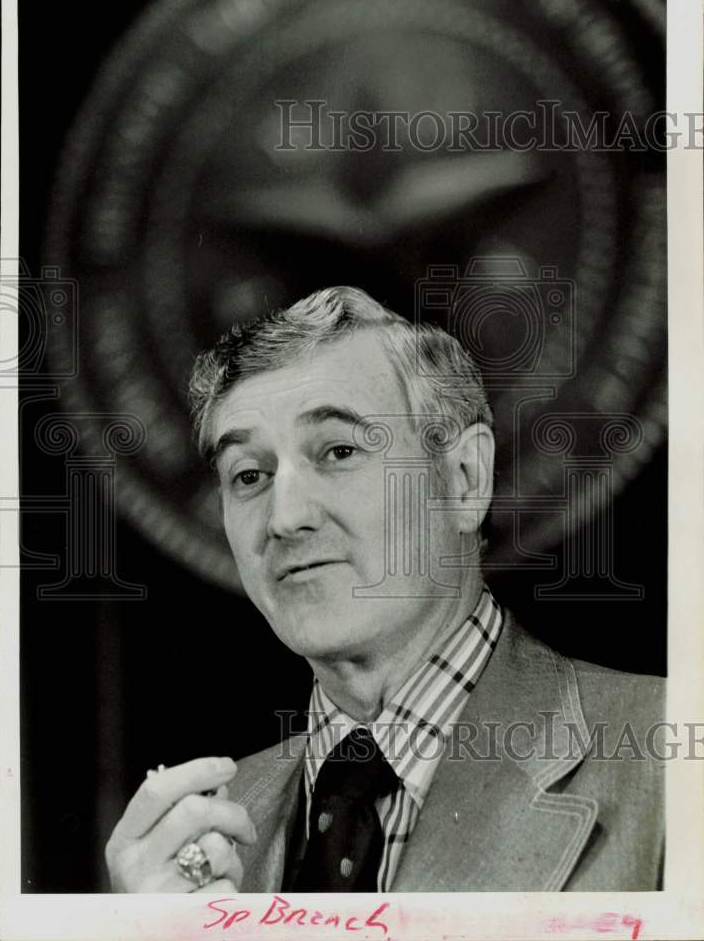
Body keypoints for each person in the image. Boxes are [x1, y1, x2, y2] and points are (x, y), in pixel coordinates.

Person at [105, 286, 664, 893]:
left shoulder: (670, 761)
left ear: (464, 478)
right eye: (249, 475)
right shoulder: (198, 840)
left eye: (339, 451)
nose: (284, 517)